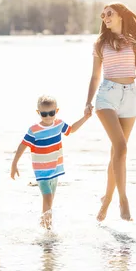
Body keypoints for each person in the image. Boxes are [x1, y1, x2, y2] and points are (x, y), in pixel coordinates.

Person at [84, 2, 136, 222]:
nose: (105, 17)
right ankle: (123, 201)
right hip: (107, 95)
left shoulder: (133, 42)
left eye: (109, 14)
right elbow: (95, 76)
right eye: (103, 15)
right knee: (121, 147)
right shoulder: (100, 44)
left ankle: (106, 201)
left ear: (120, 16)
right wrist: (88, 102)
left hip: (130, 96)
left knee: (118, 153)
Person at [10, 95, 91, 229]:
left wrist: (85, 118)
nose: (48, 117)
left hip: (55, 169)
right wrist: (14, 164)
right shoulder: (34, 130)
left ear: (56, 111)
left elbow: (71, 130)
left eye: (51, 113)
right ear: (38, 113)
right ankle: (48, 230)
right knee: (47, 199)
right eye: (44, 114)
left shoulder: (59, 124)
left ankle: (44, 224)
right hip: (41, 172)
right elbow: (22, 145)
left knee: (50, 200)